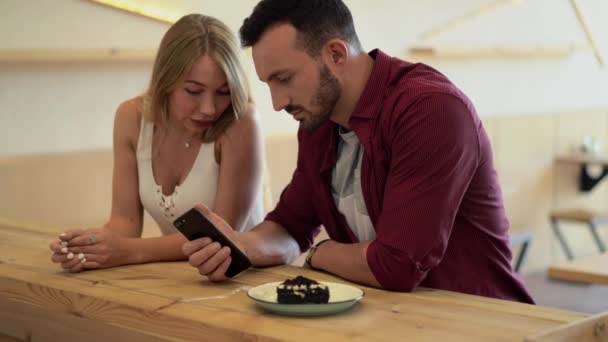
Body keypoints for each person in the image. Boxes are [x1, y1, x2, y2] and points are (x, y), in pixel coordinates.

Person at [182, 0, 534, 303]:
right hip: (390, 320)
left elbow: (397, 266)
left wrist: (321, 253)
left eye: (284, 79)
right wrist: (241, 244)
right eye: (269, 84)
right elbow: (291, 225)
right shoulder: (319, 123)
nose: (277, 103)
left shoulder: (430, 108)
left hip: (478, 322)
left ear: (335, 54)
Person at [49, 14, 264, 273]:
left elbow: (222, 236)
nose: (209, 109)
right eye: (193, 91)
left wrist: (126, 251)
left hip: (241, 278)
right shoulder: (131, 118)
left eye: (224, 92)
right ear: (166, 82)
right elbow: (124, 222)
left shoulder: (242, 121)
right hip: (177, 276)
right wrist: (90, 246)